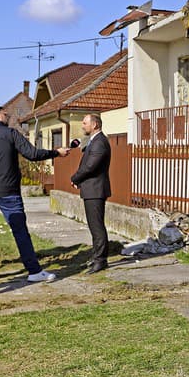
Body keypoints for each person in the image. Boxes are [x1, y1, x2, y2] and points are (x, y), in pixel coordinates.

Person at [0, 105, 69, 283]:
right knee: (20, 232)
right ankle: (34, 271)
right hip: (8, 192)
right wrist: (56, 152)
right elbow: (33, 154)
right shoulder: (10, 133)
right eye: (6, 114)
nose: (8, 117)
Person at [71, 114, 111, 274]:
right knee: (94, 226)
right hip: (91, 188)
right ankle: (97, 257)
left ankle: (100, 260)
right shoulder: (94, 141)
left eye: (85, 122)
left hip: (96, 189)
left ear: (94, 125)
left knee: (97, 226)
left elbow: (90, 166)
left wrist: (75, 177)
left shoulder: (100, 142)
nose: (82, 125)